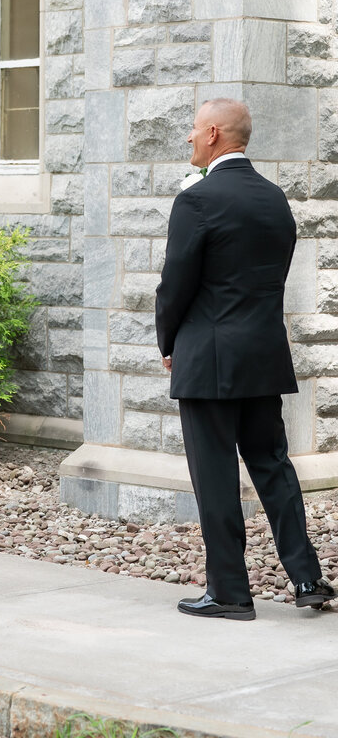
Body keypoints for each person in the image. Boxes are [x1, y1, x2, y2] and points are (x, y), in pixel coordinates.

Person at [155, 98, 334, 620]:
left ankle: (230, 592)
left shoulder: (198, 201)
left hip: (208, 360)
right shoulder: (274, 199)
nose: (188, 138)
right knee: (273, 467)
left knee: (214, 476)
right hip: (261, 356)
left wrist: (168, 342)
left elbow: (175, 286)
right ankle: (307, 578)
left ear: (213, 134)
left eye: (193, 130)